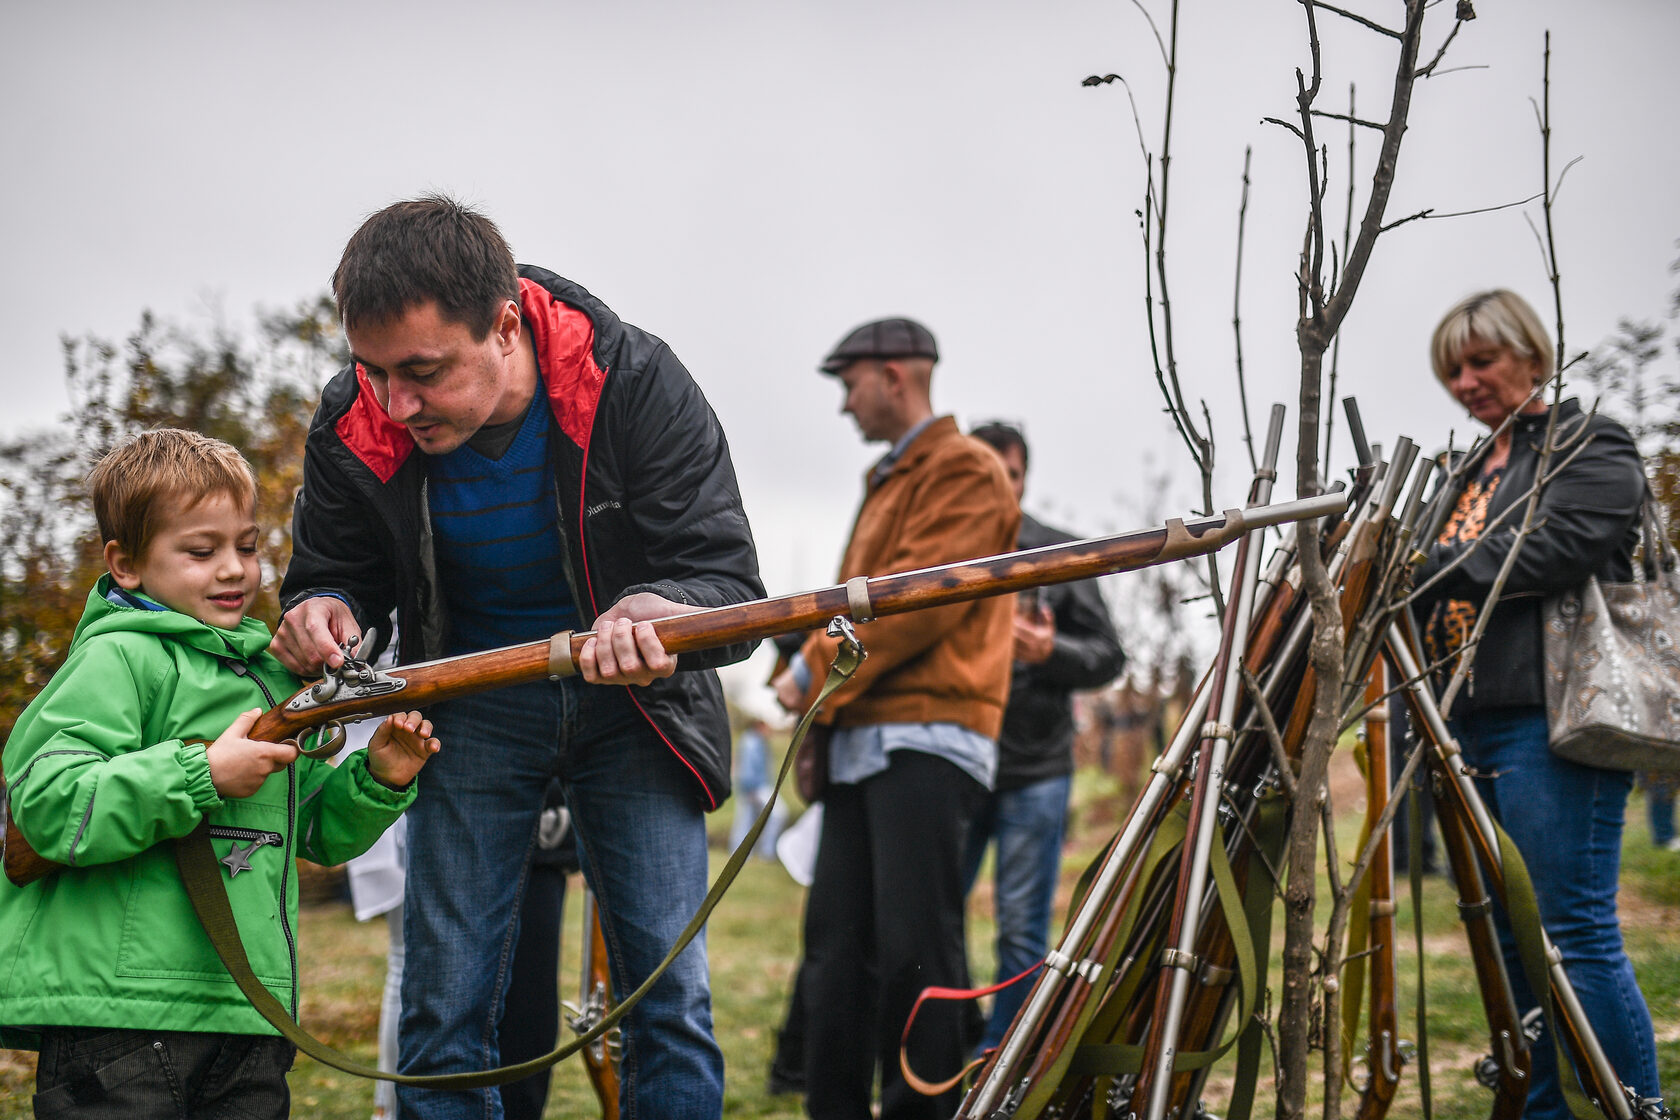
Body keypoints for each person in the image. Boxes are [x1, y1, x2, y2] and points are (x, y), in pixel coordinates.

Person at [271, 196, 764, 1120]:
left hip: (636, 712)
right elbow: (331, 574)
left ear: (506, 326)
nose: (394, 404)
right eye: (371, 371)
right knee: (443, 1003)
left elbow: (730, 587)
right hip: (469, 708)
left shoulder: (638, 381)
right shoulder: (355, 418)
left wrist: (667, 607)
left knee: (667, 998)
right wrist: (319, 610)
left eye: (422, 372)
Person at [0, 428, 438, 1119]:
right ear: (126, 564)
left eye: (247, 545)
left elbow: (312, 832)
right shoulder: (114, 661)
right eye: (201, 551)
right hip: (120, 1019)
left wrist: (378, 779)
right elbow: (48, 807)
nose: (234, 569)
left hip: (248, 1015)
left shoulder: (269, 678)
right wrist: (201, 773)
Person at [1411, 289, 1662, 1117]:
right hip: (1467, 722)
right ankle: (1545, 1108)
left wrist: (1433, 564)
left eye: (1483, 361)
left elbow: (1561, 545)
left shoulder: (1586, 443)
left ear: (1533, 354)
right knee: (1515, 943)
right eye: (1454, 368)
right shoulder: (1461, 471)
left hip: (1550, 720)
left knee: (1572, 933)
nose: (1467, 381)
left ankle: (1624, 1107)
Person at [772, 317, 1019, 1120]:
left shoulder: (966, 469)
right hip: (863, 738)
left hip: (927, 737)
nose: (846, 406)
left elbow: (916, 603)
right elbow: (859, 607)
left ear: (893, 376)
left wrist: (809, 675)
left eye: (849, 385)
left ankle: (922, 1114)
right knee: (835, 954)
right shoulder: (894, 475)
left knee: (920, 951)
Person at [962, 421, 1125, 1054]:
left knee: (1021, 930)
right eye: (988, 478)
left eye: (1014, 477)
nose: (1002, 491)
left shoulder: (1059, 552)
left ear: (1025, 477)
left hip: (1037, 768)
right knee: (937, 921)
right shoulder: (940, 553)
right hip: (954, 763)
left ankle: (1004, 1057)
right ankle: (946, 1045)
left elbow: (1109, 655)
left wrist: (1048, 648)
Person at [729, 718, 785, 860]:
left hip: (756, 786)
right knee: (777, 814)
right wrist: (750, 788)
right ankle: (764, 852)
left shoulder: (756, 741)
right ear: (759, 726)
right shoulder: (751, 742)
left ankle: (746, 853)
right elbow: (747, 767)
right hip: (755, 787)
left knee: (747, 819)